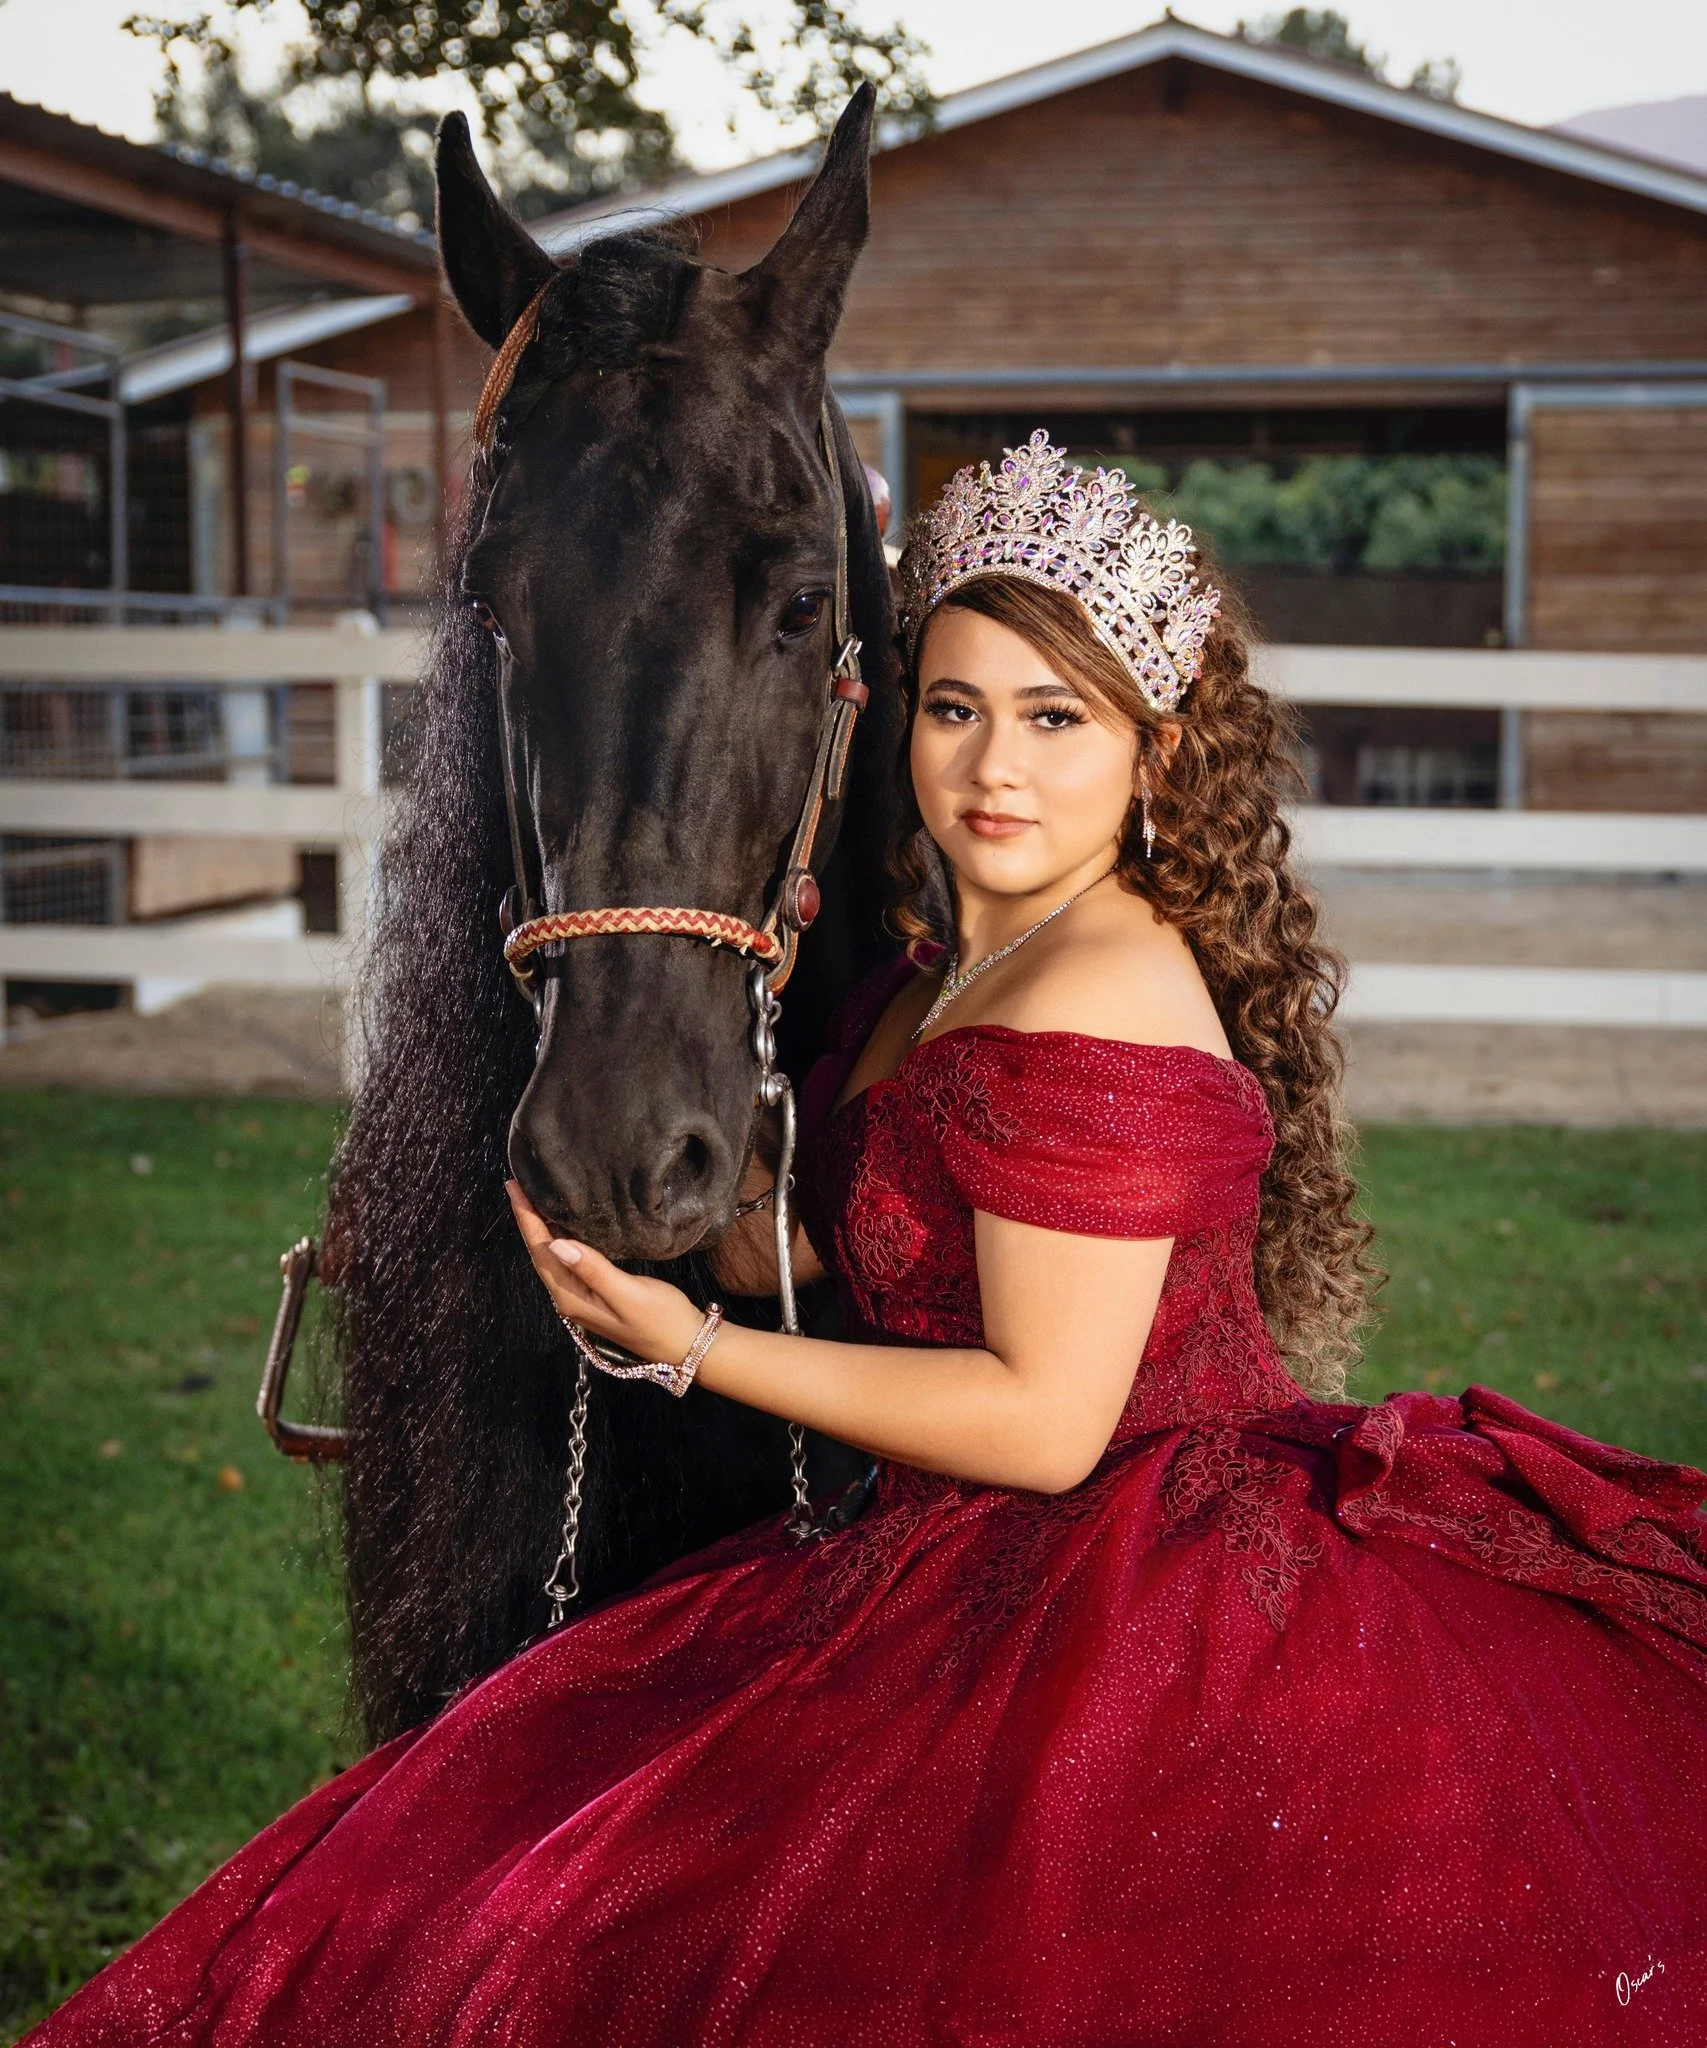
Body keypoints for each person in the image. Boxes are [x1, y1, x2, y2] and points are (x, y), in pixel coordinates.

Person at [28, 434, 1707, 2047]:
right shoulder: (944, 964)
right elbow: (876, 1239)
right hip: (933, 1550)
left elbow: (1049, 1425)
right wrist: (687, 1246)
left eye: (1058, 720)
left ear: (1153, 751)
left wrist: (694, 1346)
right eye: (957, 708)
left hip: (1139, 1580)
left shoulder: (1104, 988)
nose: (994, 769)